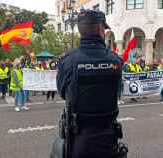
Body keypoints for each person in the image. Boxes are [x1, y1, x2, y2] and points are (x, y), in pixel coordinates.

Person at [52, 10, 126, 158]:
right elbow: (118, 91)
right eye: (104, 29)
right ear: (100, 29)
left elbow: (62, 93)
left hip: (79, 139)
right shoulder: (115, 61)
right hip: (108, 138)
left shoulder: (67, 62)